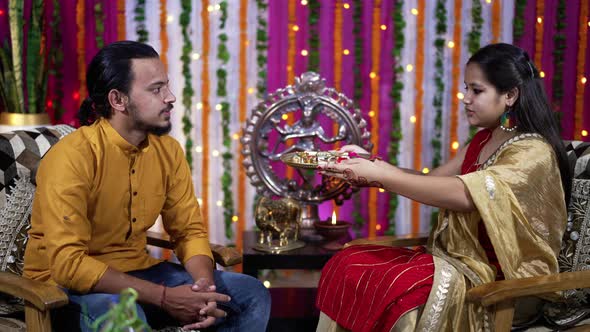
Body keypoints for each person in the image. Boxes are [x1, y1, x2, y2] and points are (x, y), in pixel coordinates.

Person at [313, 43, 571, 331]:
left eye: (477, 90)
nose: (465, 99)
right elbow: (434, 181)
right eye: (466, 89)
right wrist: (369, 166)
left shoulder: (532, 151)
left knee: (395, 288)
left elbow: (464, 195)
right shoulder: (483, 139)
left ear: (510, 95)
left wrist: (382, 175)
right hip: (457, 261)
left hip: (503, 281)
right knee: (348, 262)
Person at [23, 41, 271, 331]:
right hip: (65, 289)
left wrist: (203, 288)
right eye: (156, 89)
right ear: (118, 100)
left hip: (140, 272)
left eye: (166, 86)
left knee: (251, 294)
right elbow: (68, 265)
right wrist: (165, 299)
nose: (171, 97)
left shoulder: (168, 151)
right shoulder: (73, 157)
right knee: (123, 315)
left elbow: (188, 231)